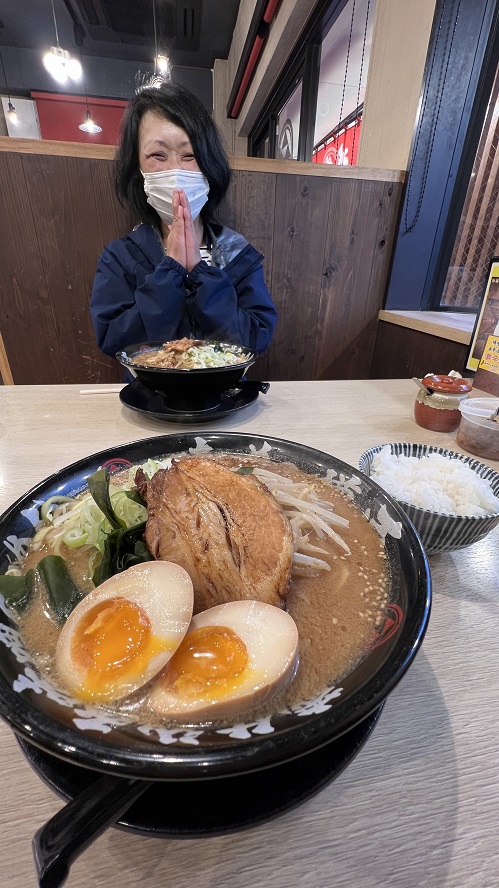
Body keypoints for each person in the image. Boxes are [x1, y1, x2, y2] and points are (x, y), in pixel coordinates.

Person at [90, 79, 278, 359]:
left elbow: (257, 338)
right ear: (136, 167)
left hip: (222, 397)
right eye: (157, 155)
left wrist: (202, 275)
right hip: (151, 399)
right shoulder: (120, 257)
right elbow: (114, 341)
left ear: (209, 164)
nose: (176, 170)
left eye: (189, 155)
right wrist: (171, 272)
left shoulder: (237, 254)